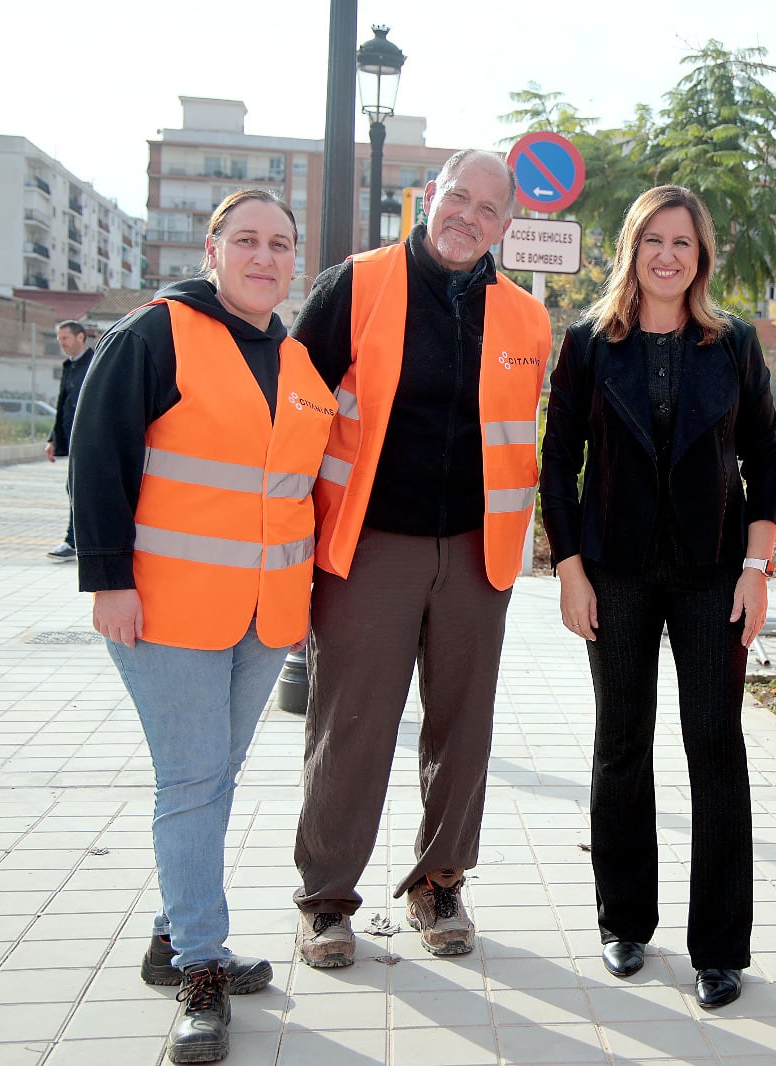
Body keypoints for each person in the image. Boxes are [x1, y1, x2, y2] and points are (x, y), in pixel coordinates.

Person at [71, 189, 333, 1064]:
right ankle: (200, 968)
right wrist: (107, 580)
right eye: (248, 240)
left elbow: (297, 495)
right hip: (169, 608)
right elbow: (97, 457)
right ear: (212, 248)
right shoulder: (154, 334)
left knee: (212, 778)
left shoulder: (295, 362)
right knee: (190, 781)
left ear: (295, 261)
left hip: (264, 615)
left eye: (282, 244)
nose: (266, 256)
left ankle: (171, 936)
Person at [289, 150, 550, 966]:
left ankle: (438, 883)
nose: (468, 216)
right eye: (456, 197)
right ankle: (326, 899)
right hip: (368, 546)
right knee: (352, 725)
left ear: (507, 225)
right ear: (427, 198)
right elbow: (294, 413)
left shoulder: (526, 320)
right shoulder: (355, 285)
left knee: (463, 729)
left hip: (479, 554)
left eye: (488, 208)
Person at [539, 185, 776, 1009]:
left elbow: (766, 466)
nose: (669, 256)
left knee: (715, 747)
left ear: (701, 257)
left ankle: (719, 947)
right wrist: (569, 569)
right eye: (655, 241)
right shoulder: (587, 343)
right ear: (632, 249)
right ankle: (624, 923)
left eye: (684, 243)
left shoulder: (734, 344)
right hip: (616, 572)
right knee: (621, 743)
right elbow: (556, 464)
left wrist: (756, 570)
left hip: (715, 573)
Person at [45, 320, 93, 561]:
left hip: (91, 436)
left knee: (78, 488)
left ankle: (74, 541)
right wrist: (54, 439)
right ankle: (76, 541)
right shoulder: (69, 366)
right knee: (75, 487)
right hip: (73, 437)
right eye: (59, 339)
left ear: (81, 337)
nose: (62, 344)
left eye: (65, 338)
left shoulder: (96, 362)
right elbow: (62, 404)